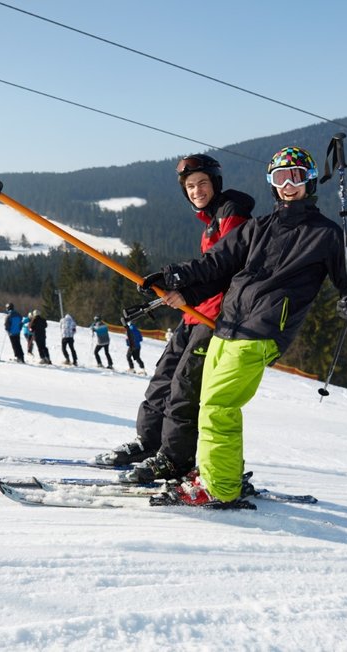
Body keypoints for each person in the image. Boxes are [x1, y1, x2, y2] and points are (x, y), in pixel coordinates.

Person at [142, 146, 347, 507]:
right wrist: (173, 277)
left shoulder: (326, 234)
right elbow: (215, 264)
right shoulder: (260, 227)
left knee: (219, 406)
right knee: (210, 406)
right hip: (228, 325)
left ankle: (220, 488)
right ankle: (221, 471)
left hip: (263, 331)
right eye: (280, 177)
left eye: (295, 176)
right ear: (272, 184)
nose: (288, 185)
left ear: (309, 180)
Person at [95, 154, 253, 488]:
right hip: (193, 316)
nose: (196, 191)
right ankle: (151, 441)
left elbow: (223, 265)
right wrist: (181, 293)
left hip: (216, 319)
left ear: (216, 184)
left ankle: (176, 459)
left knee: (185, 386)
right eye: (190, 186)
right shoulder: (211, 220)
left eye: (202, 184)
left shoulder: (232, 214)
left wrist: (179, 282)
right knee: (163, 377)